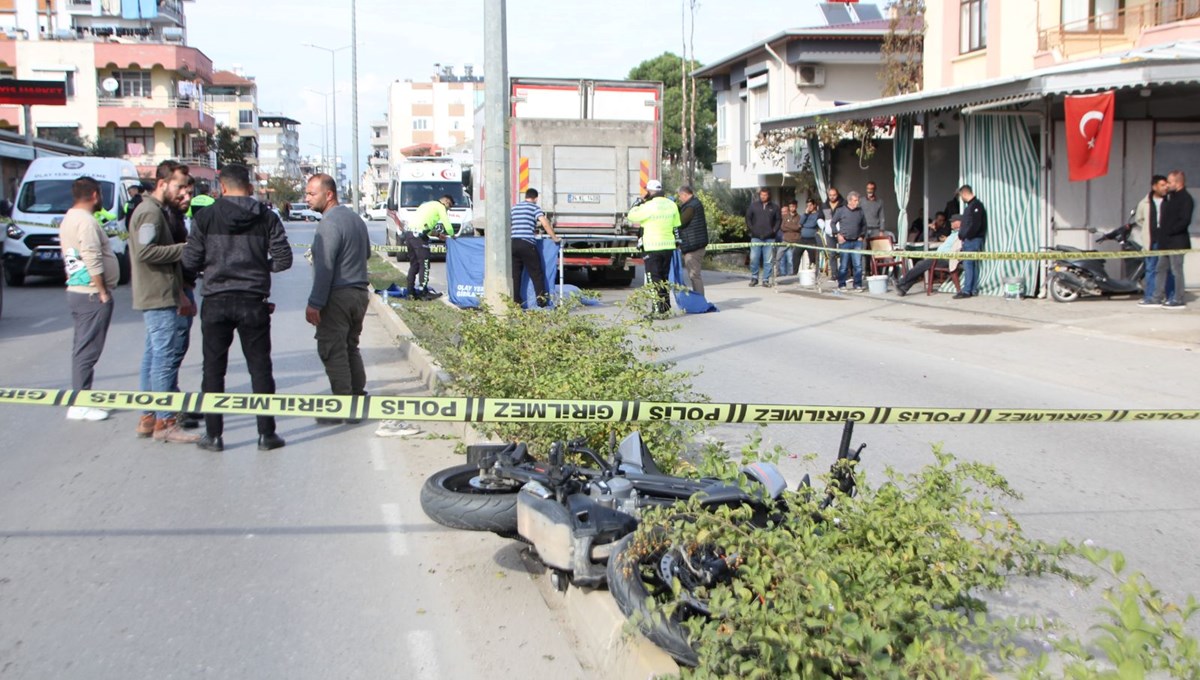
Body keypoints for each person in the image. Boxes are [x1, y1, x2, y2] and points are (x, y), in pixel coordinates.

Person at [183, 164, 292, 452]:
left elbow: (190, 261)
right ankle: (266, 435)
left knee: (213, 370)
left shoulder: (205, 217)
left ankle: (214, 435)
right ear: (250, 185)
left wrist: (209, 270)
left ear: (222, 186)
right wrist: (260, 267)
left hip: (216, 302)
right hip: (253, 302)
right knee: (260, 368)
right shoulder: (266, 217)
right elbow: (284, 259)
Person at [127, 160, 199, 444]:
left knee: (154, 357)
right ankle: (165, 421)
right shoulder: (149, 213)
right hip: (158, 294)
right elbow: (147, 252)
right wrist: (186, 248)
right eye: (180, 186)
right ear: (162, 183)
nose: (184, 192)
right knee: (164, 360)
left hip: (161, 292)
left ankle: (149, 416)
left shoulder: (156, 211)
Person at [304, 174, 373, 421]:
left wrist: (315, 302)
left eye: (312, 193)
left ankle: (343, 407)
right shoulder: (355, 219)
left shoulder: (329, 224)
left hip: (338, 295)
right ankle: (357, 397)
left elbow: (324, 267)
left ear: (329, 194)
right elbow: (366, 253)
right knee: (350, 346)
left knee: (333, 350)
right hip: (359, 293)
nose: (307, 198)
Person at [60, 176, 118, 422]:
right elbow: (91, 256)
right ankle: (80, 403)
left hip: (78, 290)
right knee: (87, 350)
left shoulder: (70, 217)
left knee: (82, 348)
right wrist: (102, 290)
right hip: (90, 294)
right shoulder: (85, 222)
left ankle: (81, 397)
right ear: (95, 194)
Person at [628, 179, 681, 317]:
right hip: (668, 246)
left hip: (652, 246)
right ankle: (665, 307)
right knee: (663, 278)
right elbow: (676, 225)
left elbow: (631, 216)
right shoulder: (671, 204)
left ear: (649, 192)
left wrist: (638, 202)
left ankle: (657, 310)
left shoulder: (648, 206)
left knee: (653, 279)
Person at [1144, 170, 1192, 310]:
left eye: (1169, 183)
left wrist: (1170, 232)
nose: (1167, 186)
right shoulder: (1170, 197)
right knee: (1160, 269)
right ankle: (1156, 297)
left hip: (1177, 241)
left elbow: (1184, 221)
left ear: (1177, 183)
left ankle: (1178, 298)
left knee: (1176, 270)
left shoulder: (1185, 199)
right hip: (1165, 242)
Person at [509, 188, 560, 308]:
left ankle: (516, 302)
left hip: (513, 243)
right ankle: (541, 301)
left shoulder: (515, 208)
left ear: (526, 196)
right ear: (535, 198)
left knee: (515, 275)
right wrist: (554, 238)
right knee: (536, 273)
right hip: (527, 243)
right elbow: (545, 223)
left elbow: (509, 224)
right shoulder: (534, 208)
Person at [894, 214, 962, 296]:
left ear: (959, 223)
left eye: (953, 221)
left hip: (946, 258)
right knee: (920, 264)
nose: (950, 223)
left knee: (922, 264)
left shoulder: (960, 234)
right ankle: (903, 288)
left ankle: (901, 282)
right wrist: (932, 229)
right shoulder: (953, 233)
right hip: (939, 256)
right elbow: (927, 237)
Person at [404, 194, 456, 300]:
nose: (448, 209)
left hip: (410, 234)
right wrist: (452, 235)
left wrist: (437, 235)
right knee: (425, 264)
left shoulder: (426, 205)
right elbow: (446, 222)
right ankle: (424, 292)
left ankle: (410, 292)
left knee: (414, 264)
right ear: (445, 201)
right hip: (418, 237)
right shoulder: (440, 206)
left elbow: (425, 226)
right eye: (449, 206)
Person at [1134, 175, 1174, 306]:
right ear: (1154, 187)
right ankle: (1150, 297)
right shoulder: (1145, 203)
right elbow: (1139, 220)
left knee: (1168, 269)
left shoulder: (1170, 200)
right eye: (1162, 185)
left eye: (1166, 185)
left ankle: (1170, 296)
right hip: (1152, 241)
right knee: (1150, 269)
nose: (1165, 187)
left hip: (1166, 241)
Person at [675, 185, 708, 295]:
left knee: (694, 275)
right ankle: (699, 298)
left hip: (694, 246)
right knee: (694, 275)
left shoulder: (691, 206)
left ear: (685, 194)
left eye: (680, 196)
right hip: (694, 244)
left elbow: (681, 221)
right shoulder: (693, 204)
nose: (680, 199)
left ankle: (700, 300)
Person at [955, 185, 987, 299]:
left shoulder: (976, 206)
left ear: (964, 194)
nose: (961, 199)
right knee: (971, 264)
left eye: (960, 196)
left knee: (968, 264)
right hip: (970, 239)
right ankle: (972, 289)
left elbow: (975, 225)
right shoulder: (972, 206)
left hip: (972, 239)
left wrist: (966, 236)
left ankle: (967, 290)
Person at [745, 187, 781, 287]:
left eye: (765, 195)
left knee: (768, 260)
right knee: (754, 258)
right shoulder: (753, 206)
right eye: (761, 195)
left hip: (770, 238)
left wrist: (774, 231)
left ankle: (765, 279)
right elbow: (748, 218)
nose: (763, 197)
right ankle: (754, 278)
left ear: (769, 195)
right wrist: (752, 229)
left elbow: (778, 220)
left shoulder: (774, 207)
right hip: (756, 237)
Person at [833, 191, 867, 291]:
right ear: (850, 201)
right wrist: (838, 234)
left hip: (857, 241)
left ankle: (857, 284)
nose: (857, 202)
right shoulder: (841, 210)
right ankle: (841, 284)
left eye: (858, 200)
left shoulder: (860, 211)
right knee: (843, 265)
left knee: (858, 265)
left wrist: (862, 236)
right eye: (855, 200)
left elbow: (864, 225)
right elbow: (833, 223)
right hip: (845, 241)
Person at [777, 200, 801, 279]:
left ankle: (792, 274)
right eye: (790, 206)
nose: (792, 208)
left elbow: (798, 227)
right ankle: (776, 272)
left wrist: (789, 226)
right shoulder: (785, 216)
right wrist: (793, 227)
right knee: (778, 256)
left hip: (795, 240)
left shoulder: (799, 217)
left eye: (793, 206)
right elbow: (782, 227)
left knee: (791, 259)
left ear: (796, 207)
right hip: (786, 239)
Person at [797, 198, 822, 272]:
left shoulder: (817, 214)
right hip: (802, 238)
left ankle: (813, 270)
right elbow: (800, 223)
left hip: (812, 238)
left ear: (814, 205)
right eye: (807, 205)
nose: (809, 207)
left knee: (812, 255)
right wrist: (805, 214)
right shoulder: (805, 214)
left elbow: (812, 224)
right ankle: (795, 271)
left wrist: (805, 225)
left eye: (810, 205)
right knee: (796, 253)